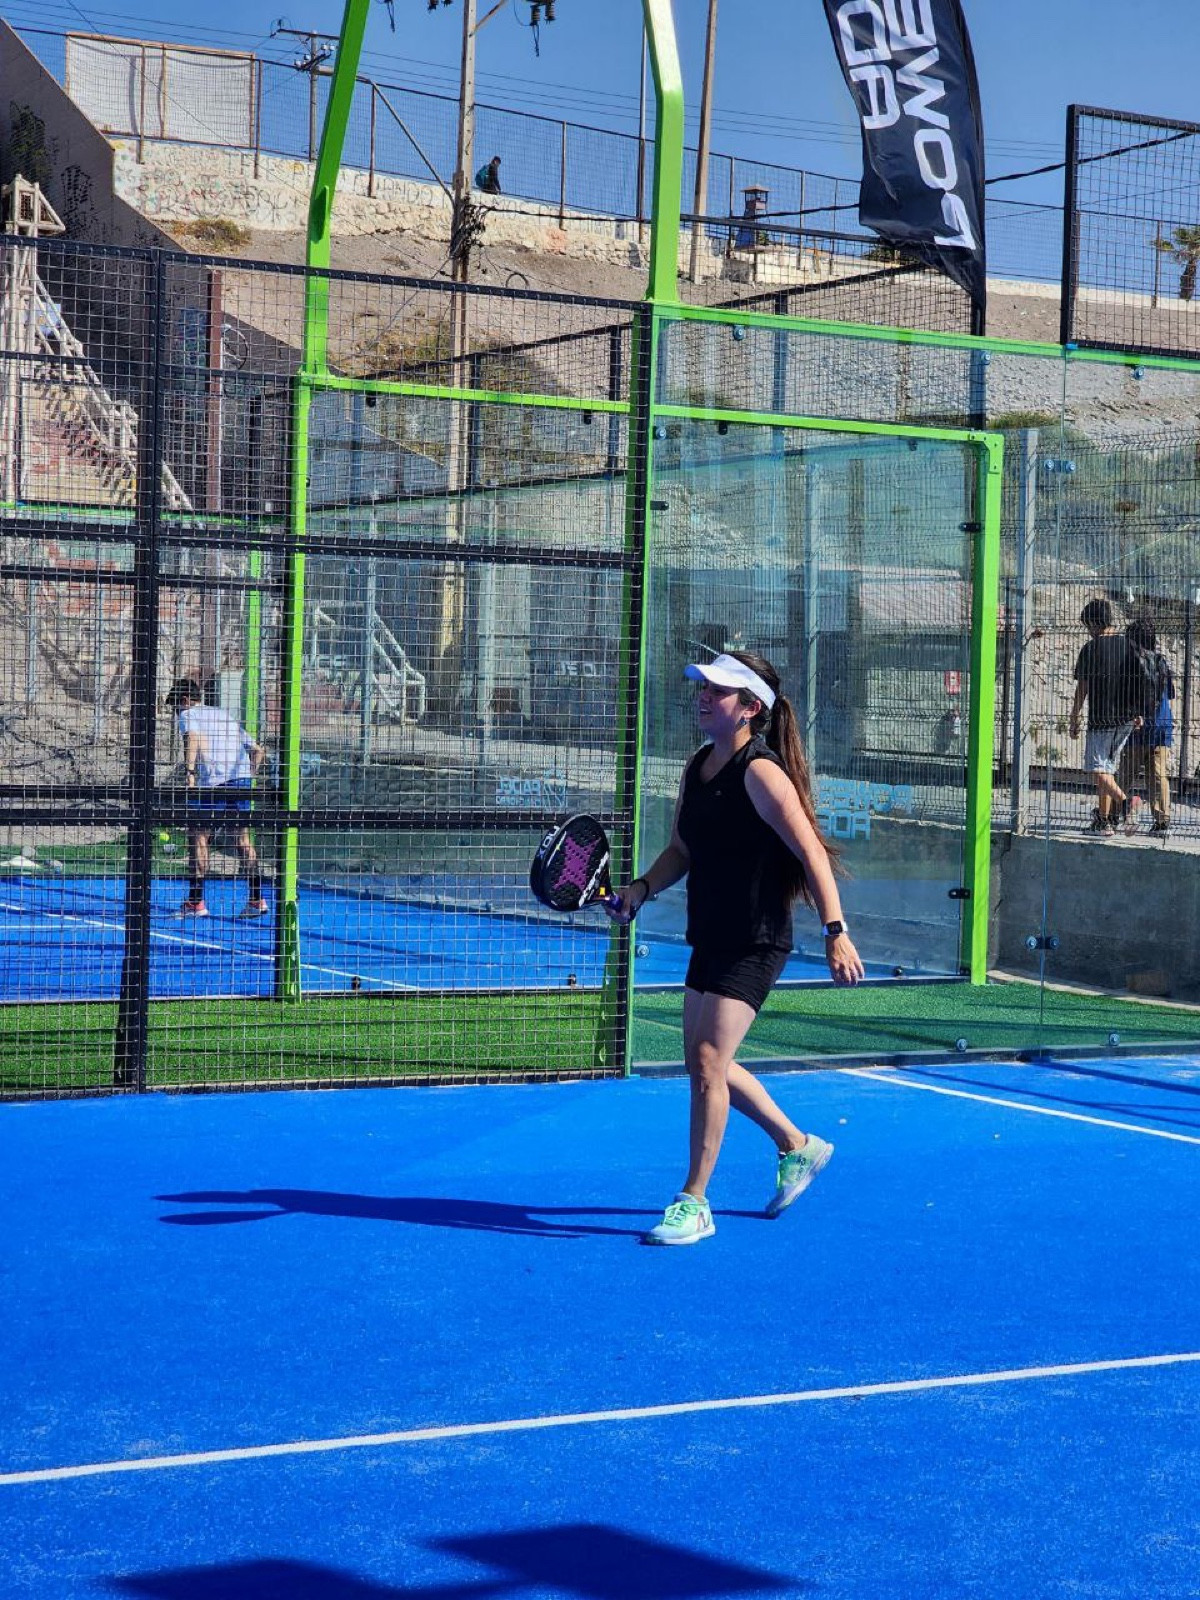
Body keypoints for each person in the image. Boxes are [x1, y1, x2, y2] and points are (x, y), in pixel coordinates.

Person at [607, 650, 865, 1247]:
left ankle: (693, 1201)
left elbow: (812, 853)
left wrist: (836, 931)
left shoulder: (762, 773)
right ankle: (797, 1145)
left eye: (717, 690)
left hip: (755, 939)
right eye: (702, 686)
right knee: (707, 1063)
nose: (703, 696)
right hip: (710, 933)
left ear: (749, 707)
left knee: (705, 1062)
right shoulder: (697, 766)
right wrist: (641, 889)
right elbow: (681, 850)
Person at [164, 677, 268, 919]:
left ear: (185, 700)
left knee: (199, 836)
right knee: (243, 840)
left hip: (212, 783)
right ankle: (256, 900)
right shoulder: (223, 715)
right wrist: (249, 777)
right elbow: (258, 750)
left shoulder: (188, 715)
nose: (176, 712)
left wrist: (190, 774)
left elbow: (193, 738)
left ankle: (195, 903)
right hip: (241, 781)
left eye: (176, 706)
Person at [1068, 599, 1146, 838]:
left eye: (1088, 626)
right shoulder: (1130, 645)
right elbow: (1137, 680)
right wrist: (1139, 711)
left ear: (1094, 623)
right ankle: (1104, 823)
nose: (1088, 632)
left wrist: (1074, 716)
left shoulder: (1090, 649)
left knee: (1096, 769)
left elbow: (1083, 687)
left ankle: (1126, 802)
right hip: (1126, 719)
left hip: (1101, 719)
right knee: (1106, 770)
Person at [1117, 618, 1175, 836]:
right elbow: (1170, 694)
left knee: (1125, 774)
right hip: (1161, 726)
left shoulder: (1130, 664)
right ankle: (1162, 822)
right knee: (1158, 776)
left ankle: (1111, 813)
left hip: (1137, 727)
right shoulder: (1161, 662)